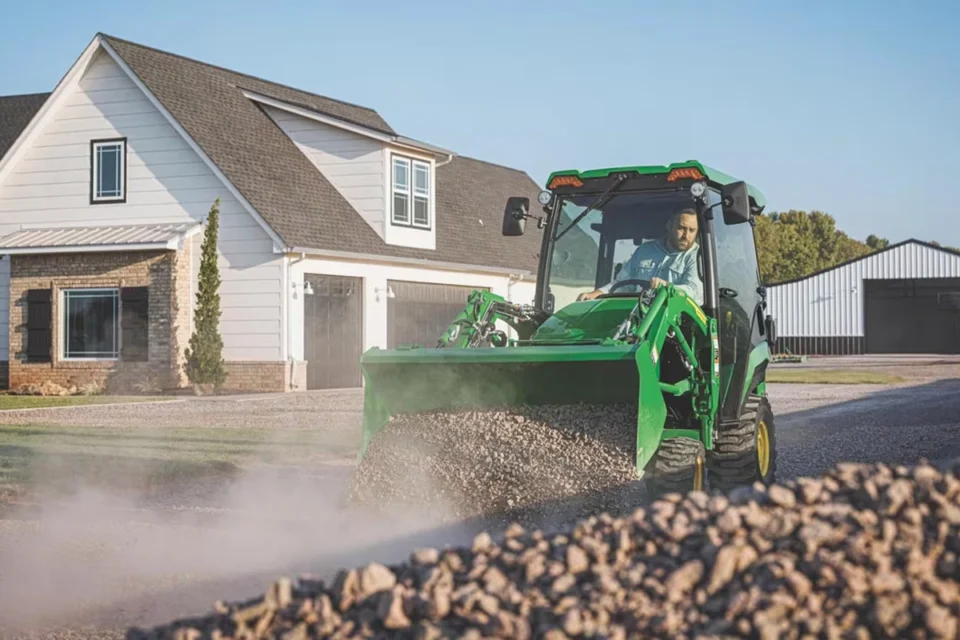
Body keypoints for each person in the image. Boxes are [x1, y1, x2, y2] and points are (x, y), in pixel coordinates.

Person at [577, 208, 703, 305]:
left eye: (692, 230)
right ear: (669, 226)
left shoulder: (697, 256)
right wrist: (597, 293)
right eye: (681, 228)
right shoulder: (645, 250)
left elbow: (692, 291)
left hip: (677, 321)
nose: (686, 235)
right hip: (637, 312)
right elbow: (623, 283)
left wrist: (666, 287)